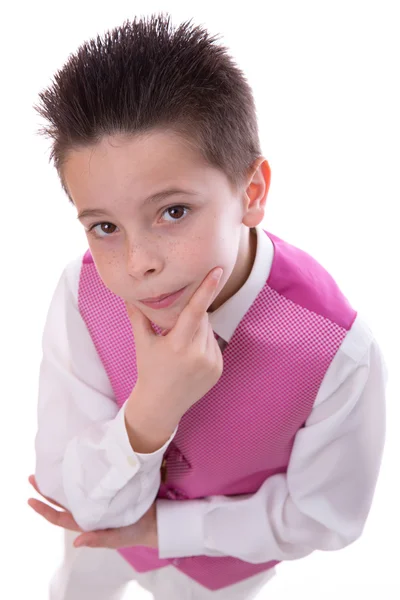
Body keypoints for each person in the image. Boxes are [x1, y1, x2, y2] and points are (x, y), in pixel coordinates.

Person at [28, 12, 388, 600]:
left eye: (173, 212)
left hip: (223, 571)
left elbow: (326, 517)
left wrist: (165, 530)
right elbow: (73, 495)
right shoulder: (83, 293)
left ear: (252, 193)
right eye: (105, 225)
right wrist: (150, 412)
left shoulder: (337, 350)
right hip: (94, 539)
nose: (138, 262)